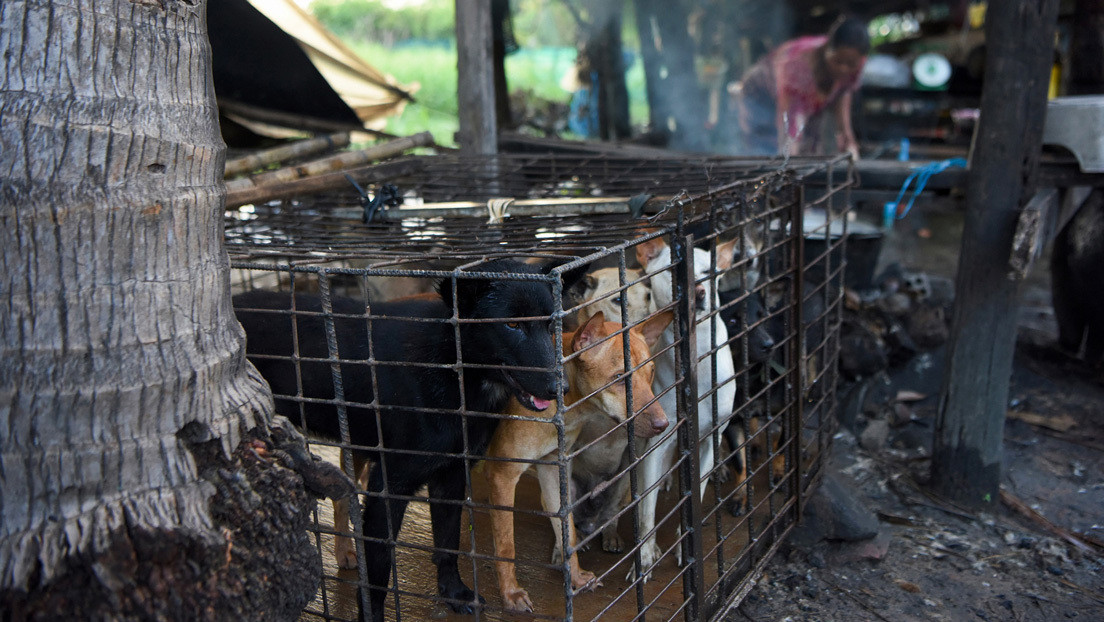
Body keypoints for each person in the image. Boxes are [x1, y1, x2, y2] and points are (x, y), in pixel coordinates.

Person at [731, 16, 870, 159]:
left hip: (799, 101)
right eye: (838, 61)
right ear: (827, 49)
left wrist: (846, 136)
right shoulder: (798, 66)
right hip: (760, 93)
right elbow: (790, 126)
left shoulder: (857, 64)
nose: (843, 69)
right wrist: (789, 159)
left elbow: (843, 92)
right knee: (768, 148)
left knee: (811, 146)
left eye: (850, 64)